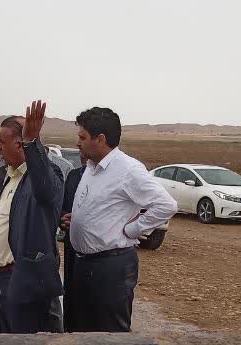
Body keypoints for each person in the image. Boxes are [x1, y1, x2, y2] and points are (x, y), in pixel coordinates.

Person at [66, 107, 178, 332]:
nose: (77, 143)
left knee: (109, 334)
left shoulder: (128, 169)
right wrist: (79, 219)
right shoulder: (92, 166)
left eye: (82, 137)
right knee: (81, 331)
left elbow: (166, 205)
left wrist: (133, 229)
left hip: (110, 267)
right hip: (83, 263)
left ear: (100, 139)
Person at [0, 102, 63, 334]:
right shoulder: (9, 177)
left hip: (24, 281)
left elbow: (45, 189)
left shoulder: (44, 176)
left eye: (2, 141)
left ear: (19, 145)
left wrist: (32, 141)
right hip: (2, 280)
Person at [59, 163, 85, 331]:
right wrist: (62, 219)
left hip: (99, 255)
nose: (82, 153)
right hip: (72, 247)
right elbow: (62, 207)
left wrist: (131, 229)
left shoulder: (116, 174)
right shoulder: (74, 175)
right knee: (71, 294)